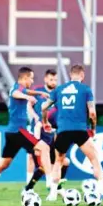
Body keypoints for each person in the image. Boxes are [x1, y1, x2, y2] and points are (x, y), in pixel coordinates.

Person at [0, 67, 52, 197]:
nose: (32, 81)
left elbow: (25, 91)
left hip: (11, 132)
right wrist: (28, 97)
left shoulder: (21, 88)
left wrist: (38, 94)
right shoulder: (16, 89)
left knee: (4, 164)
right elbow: (16, 93)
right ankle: (51, 181)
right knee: (44, 148)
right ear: (24, 78)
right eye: (31, 78)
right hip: (18, 131)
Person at [43, 64, 103, 201]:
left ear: (70, 75)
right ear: (82, 75)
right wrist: (93, 128)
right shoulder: (86, 89)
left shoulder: (59, 89)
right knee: (94, 159)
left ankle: (53, 194)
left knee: (58, 161)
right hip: (80, 130)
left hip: (63, 131)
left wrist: (45, 122)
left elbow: (44, 106)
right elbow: (92, 112)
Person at [24, 69, 69, 197]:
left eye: (55, 80)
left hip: (50, 131)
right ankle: (30, 186)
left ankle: (55, 185)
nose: (53, 82)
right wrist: (35, 117)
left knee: (56, 161)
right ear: (45, 79)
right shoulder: (38, 91)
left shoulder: (59, 94)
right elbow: (29, 105)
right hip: (37, 130)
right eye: (51, 79)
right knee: (33, 157)